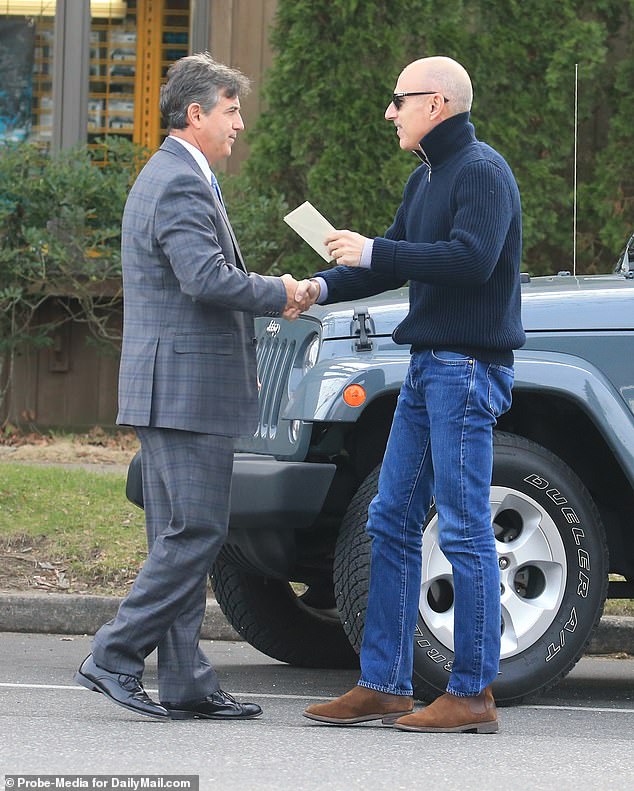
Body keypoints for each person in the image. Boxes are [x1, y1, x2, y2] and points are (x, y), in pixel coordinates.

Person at [75, 52, 314, 721]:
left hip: (175, 389)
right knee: (196, 532)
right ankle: (115, 655)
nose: (240, 122)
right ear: (195, 114)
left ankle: (186, 680)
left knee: (178, 534)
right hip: (185, 393)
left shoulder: (178, 175)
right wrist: (282, 292)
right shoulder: (180, 181)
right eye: (231, 110)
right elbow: (204, 278)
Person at [301, 55, 525, 733]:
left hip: (464, 367)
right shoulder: (426, 177)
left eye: (399, 100)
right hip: (431, 366)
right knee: (391, 518)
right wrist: (313, 288)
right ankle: (386, 684)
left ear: (436, 104)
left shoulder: (483, 170)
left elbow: (469, 260)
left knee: (460, 528)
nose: (390, 112)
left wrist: (376, 253)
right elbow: (388, 255)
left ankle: (473, 693)